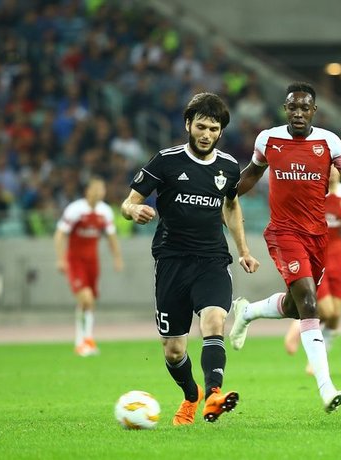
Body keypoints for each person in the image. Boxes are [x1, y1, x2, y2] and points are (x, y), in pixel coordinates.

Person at [229, 82, 341, 412]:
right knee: (310, 304)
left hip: (317, 238)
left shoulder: (329, 142)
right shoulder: (268, 139)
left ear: (314, 111)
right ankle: (327, 388)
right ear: (285, 109)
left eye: (305, 108)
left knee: (298, 306)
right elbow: (251, 176)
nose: (298, 113)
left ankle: (248, 312)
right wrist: (221, 195)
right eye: (293, 107)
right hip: (284, 233)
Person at [120, 93, 259, 425]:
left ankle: (214, 395)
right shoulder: (166, 161)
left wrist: (243, 250)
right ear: (188, 125)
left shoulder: (228, 167)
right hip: (171, 261)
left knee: (214, 322)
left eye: (213, 129)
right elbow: (127, 203)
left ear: (221, 131)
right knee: (174, 350)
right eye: (201, 127)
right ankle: (191, 395)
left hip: (212, 260)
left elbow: (231, 205)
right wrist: (133, 210)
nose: (206, 134)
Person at [284, 166, 341, 371]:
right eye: (327, 169)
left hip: (338, 255)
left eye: (335, 169)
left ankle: (319, 357)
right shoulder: (312, 191)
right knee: (327, 311)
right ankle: (299, 325)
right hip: (316, 255)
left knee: (336, 315)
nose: (332, 173)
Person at [54, 177, 124, 357]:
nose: (100, 192)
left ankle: (87, 340)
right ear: (88, 191)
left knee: (89, 302)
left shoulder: (105, 211)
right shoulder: (75, 209)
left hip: (93, 262)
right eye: (96, 189)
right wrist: (60, 259)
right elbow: (60, 234)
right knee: (86, 297)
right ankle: (81, 341)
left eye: (102, 189)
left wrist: (117, 258)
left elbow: (111, 236)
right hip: (75, 261)